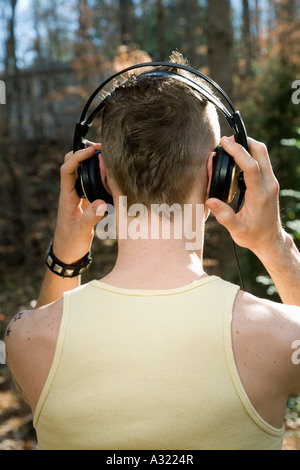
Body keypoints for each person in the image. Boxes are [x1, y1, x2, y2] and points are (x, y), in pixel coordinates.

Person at [4, 53, 300, 451]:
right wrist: (274, 245)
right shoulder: (280, 336)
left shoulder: (25, 339)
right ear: (220, 176)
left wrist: (65, 254)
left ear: (100, 178)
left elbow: (45, 373)